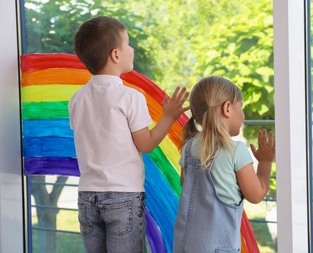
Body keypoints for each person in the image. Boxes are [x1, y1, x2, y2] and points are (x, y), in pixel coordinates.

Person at [68, 16, 189, 253]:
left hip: (87, 198)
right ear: (115, 55)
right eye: (128, 43)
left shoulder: (77, 99)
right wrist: (168, 117)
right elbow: (145, 144)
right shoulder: (130, 97)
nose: (131, 49)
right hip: (123, 198)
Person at [173, 75, 275, 253]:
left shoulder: (190, 147)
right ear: (227, 108)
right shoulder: (236, 150)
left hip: (185, 245)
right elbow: (256, 195)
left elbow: (186, 183)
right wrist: (265, 162)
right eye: (241, 107)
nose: (243, 114)